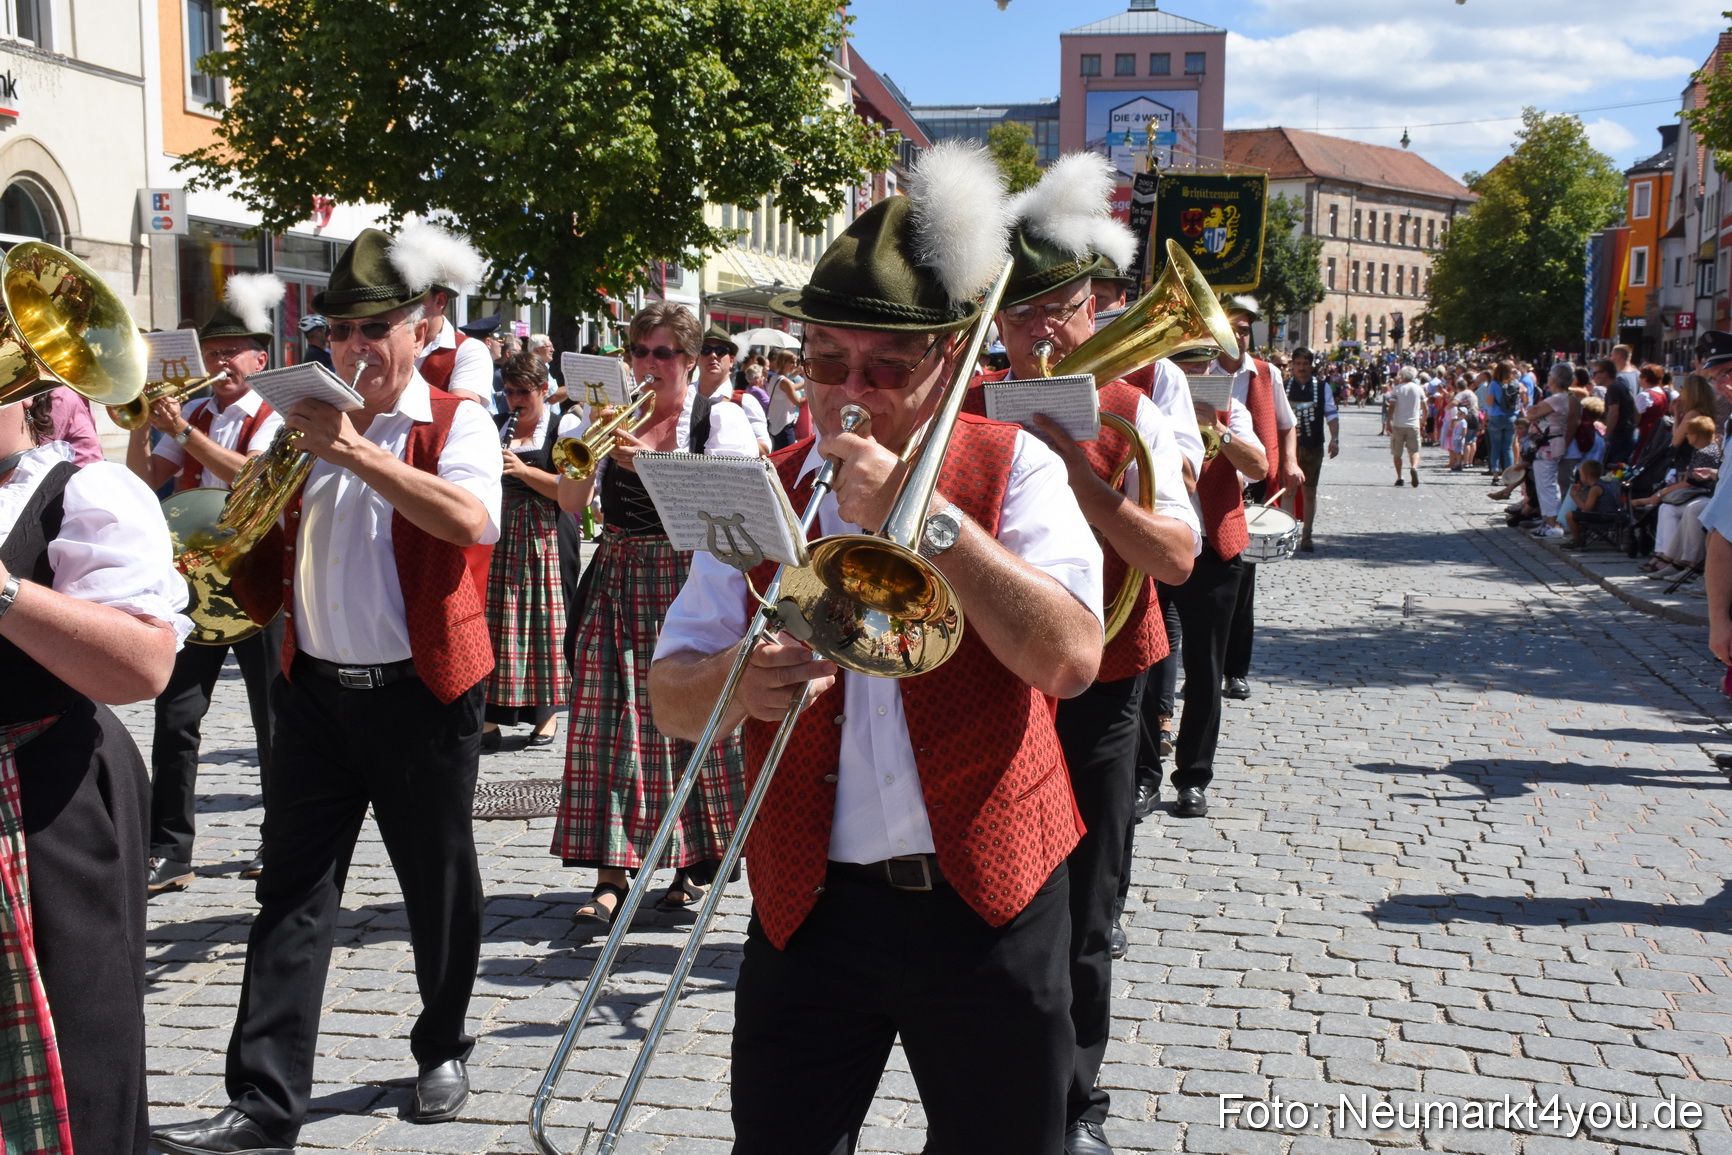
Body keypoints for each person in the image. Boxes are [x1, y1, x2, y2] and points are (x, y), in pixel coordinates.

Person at [649, 142, 1104, 1155]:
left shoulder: (1014, 466)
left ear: (947, 362)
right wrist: (740, 682)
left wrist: (926, 515)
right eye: (825, 364)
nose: (849, 394)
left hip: (989, 895)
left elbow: (1070, 658)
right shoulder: (762, 483)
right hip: (810, 907)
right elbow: (671, 700)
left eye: (885, 369)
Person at [150, 226, 504, 1155]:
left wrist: (354, 453)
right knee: (291, 892)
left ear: (421, 326)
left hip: (423, 693)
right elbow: (254, 521)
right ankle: (264, 1104)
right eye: (341, 330)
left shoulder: (453, 418)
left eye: (374, 328)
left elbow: (473, 518)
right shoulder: (305, 416)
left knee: (439, 880)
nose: (354, 348)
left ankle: (441, 1044)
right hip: (314, 692)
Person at [976, 152, 1200, 1155]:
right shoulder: (972, 406)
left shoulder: (1137, 405)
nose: (1038, 335)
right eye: (1020, 319)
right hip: (997, 678)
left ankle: (1075, 1103)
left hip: (1106, 683)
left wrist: (1084, 481)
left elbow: (1179, 558)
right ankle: (994, 1082)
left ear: (1095, 304)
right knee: (995, 893)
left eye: (1056, 312)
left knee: (1088, 904)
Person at [0, 390, 188, 1155]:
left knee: (78, 1047)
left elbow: (144, 663)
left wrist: (4, 591)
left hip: (45, 798)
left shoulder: (83, 493)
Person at [550, 301, 757, 924]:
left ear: (691, 361)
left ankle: (697, 859)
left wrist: (652, 466)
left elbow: (729, 509)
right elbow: (569, 500)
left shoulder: (719, 420)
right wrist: (587, 444)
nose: (648, 364)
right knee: (604, 722)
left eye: (663, 353)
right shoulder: (605, 419)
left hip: (688, 578)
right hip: (616, 576)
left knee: (690, 719)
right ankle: (612, 871)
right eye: (639, 352)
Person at [125, 274, 287, 892]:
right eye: (214, 352)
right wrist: (143, 420)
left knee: (273, 720)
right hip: (195, 578)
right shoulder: (189, 410)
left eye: (234, 351)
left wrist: (186, 432)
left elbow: (255, 477)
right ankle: (171, 848)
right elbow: (145, 482)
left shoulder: (274, 416)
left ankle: (280, 839)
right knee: (177, 711)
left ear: (259, 357)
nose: (222, 362)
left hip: (258, 580)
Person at [481, 352, 566, 750]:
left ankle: (545, 715)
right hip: (500, 532)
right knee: (497, 621)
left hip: (541, 534)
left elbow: (570, 492)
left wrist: (524, 470)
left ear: (544, 391)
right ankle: (489, 718)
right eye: (509, 391)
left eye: (524, 392)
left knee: (541, 623)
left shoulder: (561, 429)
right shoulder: (497, 426)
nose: (514, 399)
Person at [1209, 296, 1292, 701]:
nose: (1241, 336)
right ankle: (1205, 667)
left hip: (1251, 485)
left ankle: (1235, 671)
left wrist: (1290, 462)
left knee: (1241, 585)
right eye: (1234, 327)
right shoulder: (1199, 369)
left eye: (1245, 330)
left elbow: (1285, 423)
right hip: (1206, 485)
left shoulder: (1266, 373)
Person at [392, 221, 493, 407]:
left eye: (415, 296)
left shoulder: (470, 351)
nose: (403, 305)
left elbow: (462, 412)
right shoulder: (389, 341)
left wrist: (393, 377)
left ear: (440, 301)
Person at [1634, 415, 1720, 580]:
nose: (1686, 437)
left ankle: (1689, 563)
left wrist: (1661, 493)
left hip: (1704, 494)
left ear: (1694, 435)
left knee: (1691, 510)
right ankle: (1668, 557)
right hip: (1701, 494)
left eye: (1688, 434)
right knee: (1668, 509)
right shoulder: (1701, 450)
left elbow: (1691, 482)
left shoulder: (1707, 452)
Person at [1281, 346, 1338, 551]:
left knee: (1309, 491)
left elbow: (1331, 414)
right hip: (1289, 448)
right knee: (1288, 490)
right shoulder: (1284, 386)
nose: (1301, 368)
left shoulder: (1323, 388)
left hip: (1313, 446)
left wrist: (1335, 439)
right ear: (1292, 366)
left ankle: (1307, 535)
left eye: (1305, 363)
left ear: (1311, 365)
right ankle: (1288, 535)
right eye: (1298, 364)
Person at [1525, 363, 1580, 539]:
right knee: (1544, 484)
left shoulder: (1557, 398)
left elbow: (1531, 413)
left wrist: (1533, 411)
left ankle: (1552, 524)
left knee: (1547, 485)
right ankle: (1547, 522)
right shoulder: (1560, 397)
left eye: (1550, 375)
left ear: (1554, 379)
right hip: (1547, 445)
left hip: (1547, 446)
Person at [698, 325, 772, 453]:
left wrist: (734, 434)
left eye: (720, 350)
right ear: (696, 358)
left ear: (731, 360)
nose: (713, 355)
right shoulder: (684, 396)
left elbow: (765, 450)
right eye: (705, 349)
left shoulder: (744, 401)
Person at [1561, 458, 1613, 549]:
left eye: (1580, 474)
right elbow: (1589, 501)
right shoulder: (1598, 485)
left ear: (1585, 476)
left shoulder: (1595, 488)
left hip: (1603, 517)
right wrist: (1580, 492)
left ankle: (1577, 540)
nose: (1580, 476)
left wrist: (1575, 498)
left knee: (1570, 515)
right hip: (1604, 515)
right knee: (1575, 513)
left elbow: (1586, 508)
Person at [1598, 356, 1638, 466]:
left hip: (1620, 436)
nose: (1593, 376)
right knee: (1621, 468)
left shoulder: (1613, 388)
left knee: (1613, 469)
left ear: (1605, 373)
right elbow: (1635, 410)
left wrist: (1607, 435)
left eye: (1596, 373)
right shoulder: (1621, 384)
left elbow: (1613, 412)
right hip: (1629, 434)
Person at [1389, 366, 1425, 485]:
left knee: (1397, 453)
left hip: (1399, 423)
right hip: (1413, 423)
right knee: (1414, 450)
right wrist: (1423, 420)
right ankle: (1414, 467)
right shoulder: (1419, 389)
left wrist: (1389, 421)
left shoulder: (1397, 389)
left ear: (1402, 376)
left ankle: (1400, 477)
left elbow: (1392, 406)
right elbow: (1425, 408)